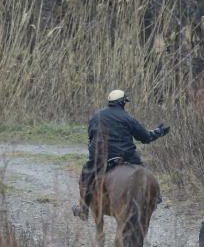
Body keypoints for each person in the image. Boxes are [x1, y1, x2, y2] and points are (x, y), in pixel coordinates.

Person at [72, 89, 170, 220]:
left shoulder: (96, 116)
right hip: (127, 156)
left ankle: (83, 208)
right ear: (123, 103)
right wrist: (160, 131)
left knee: (86, 176)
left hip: (101, 157)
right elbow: (145, 137)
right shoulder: (128, 118)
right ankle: (156, 196)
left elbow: (91, 136)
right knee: (143, 170)